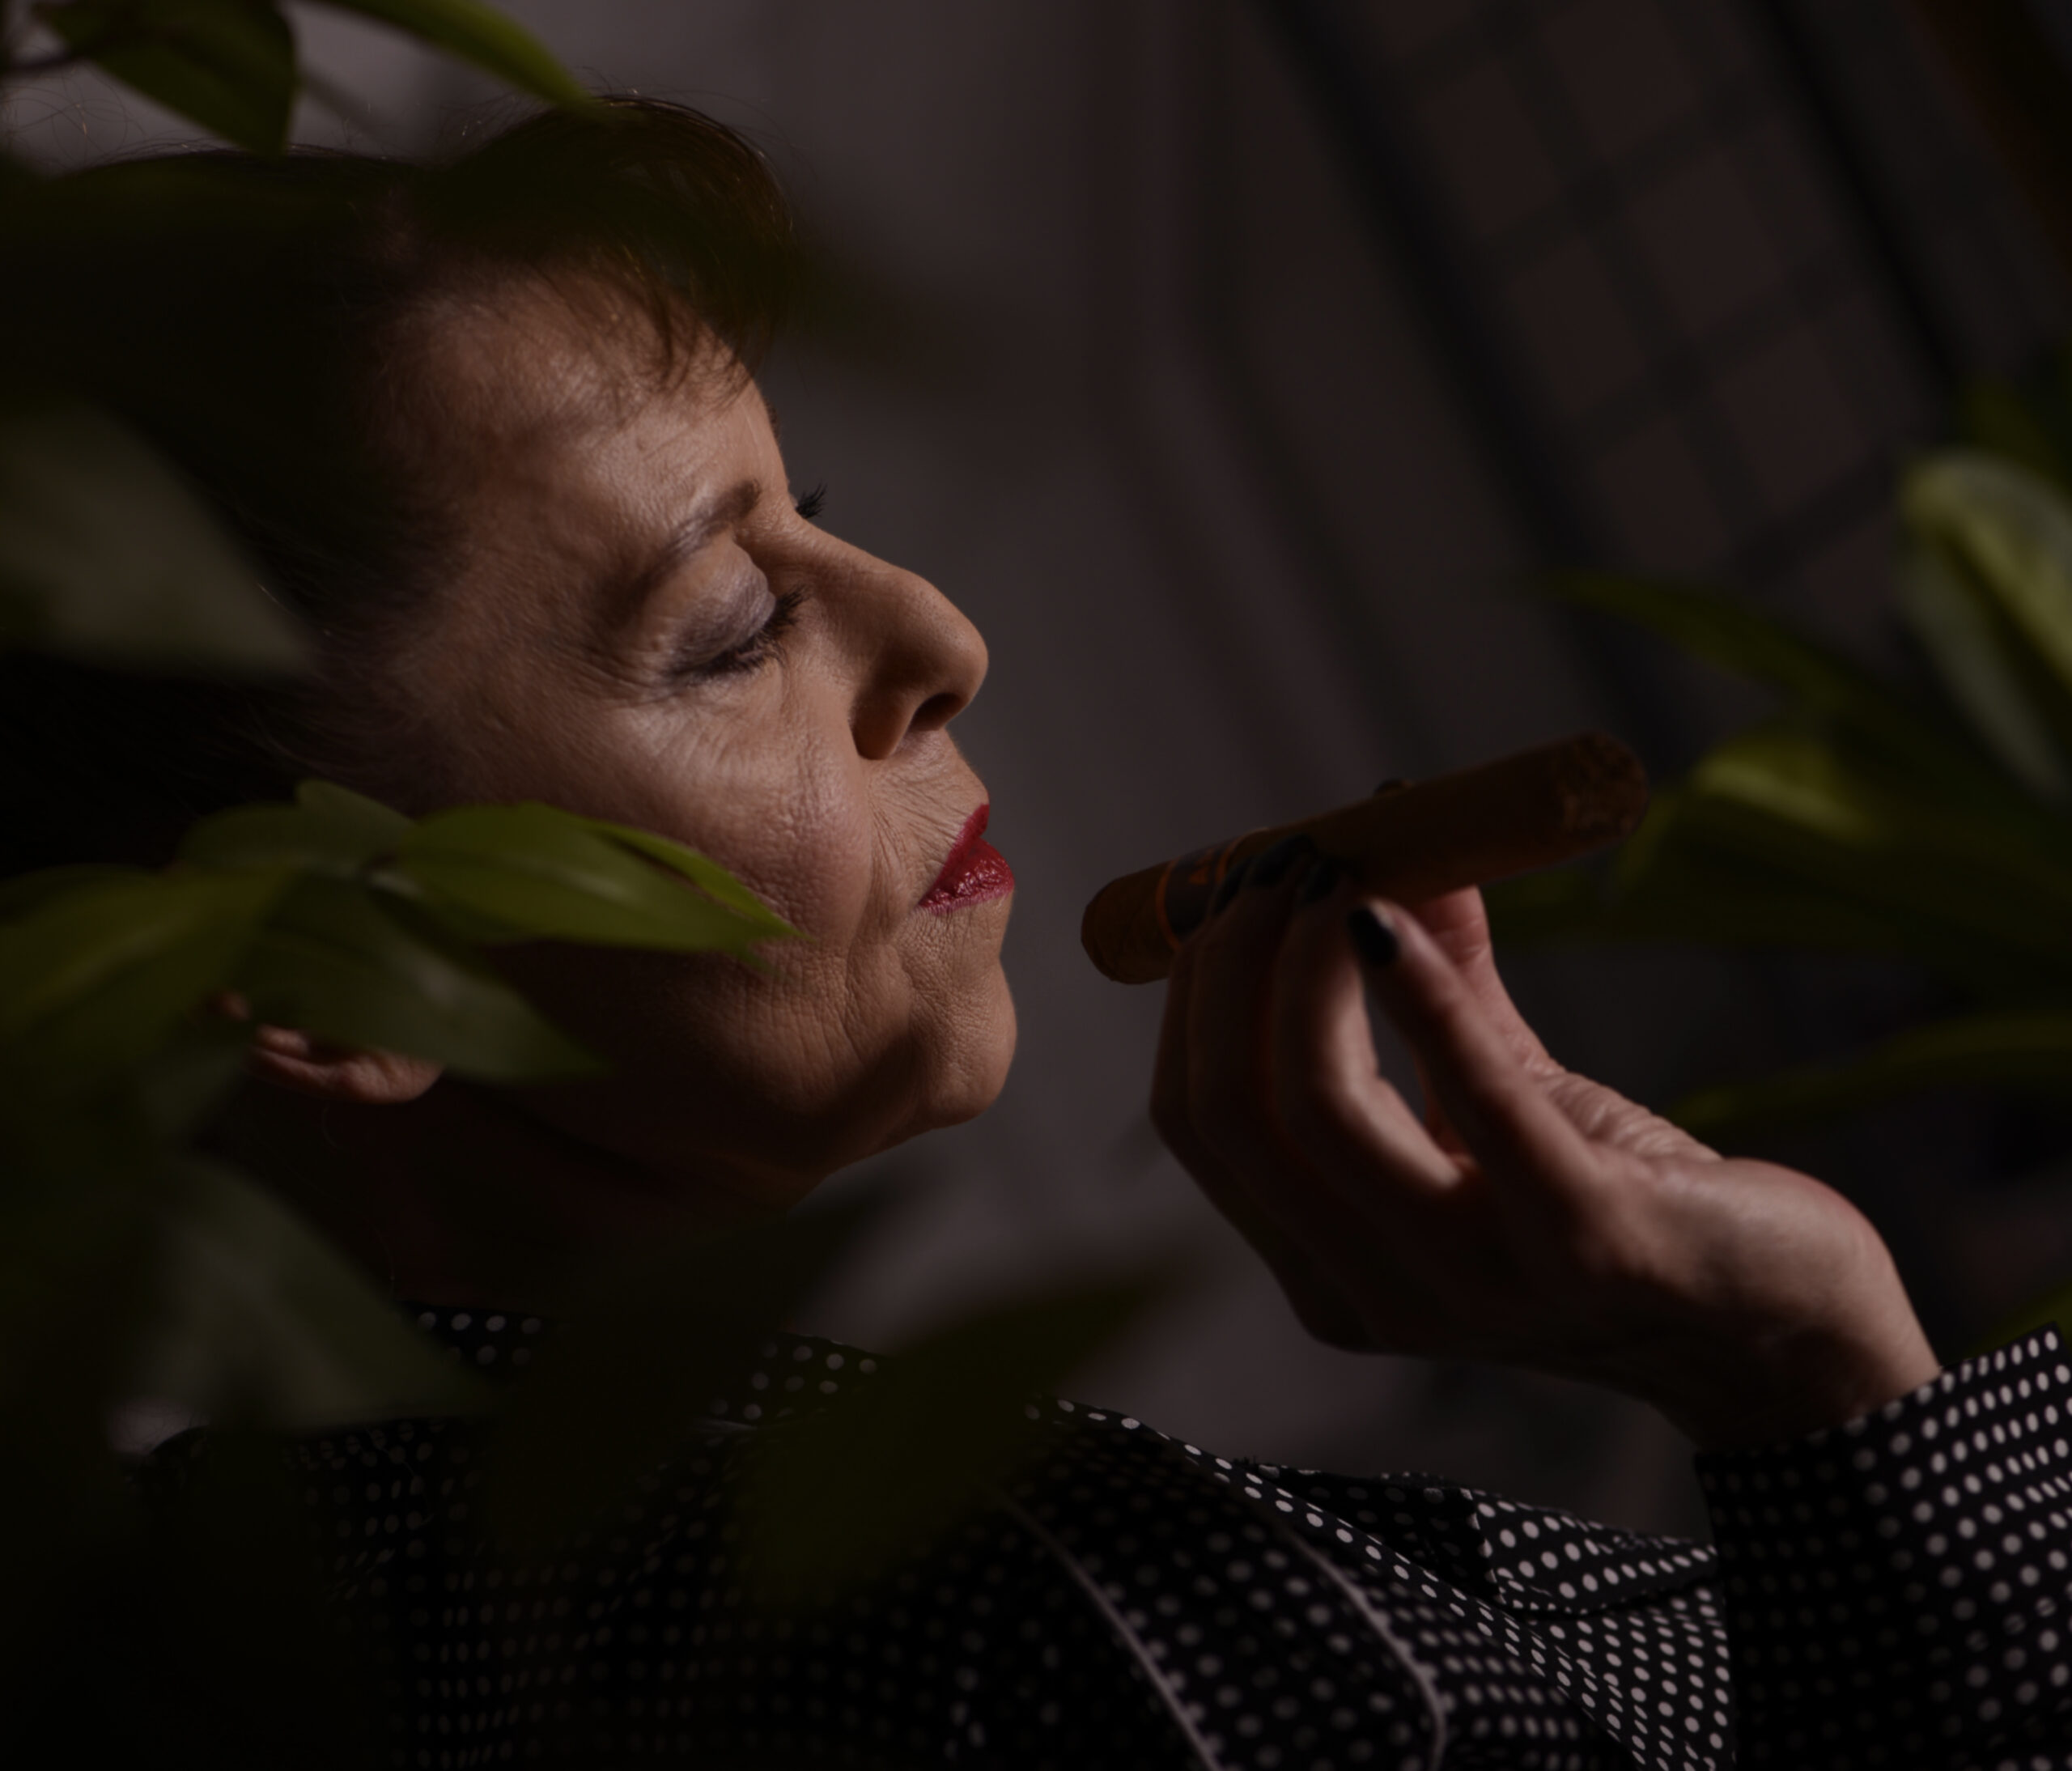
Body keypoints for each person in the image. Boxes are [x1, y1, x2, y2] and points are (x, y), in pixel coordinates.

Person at [6, 99, 2067, 1770]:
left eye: (813, 516)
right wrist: (1807, 1377)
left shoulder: (279, 1622)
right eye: (731, 629)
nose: (941, 635)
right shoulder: (971, 1641)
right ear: (311, 978)